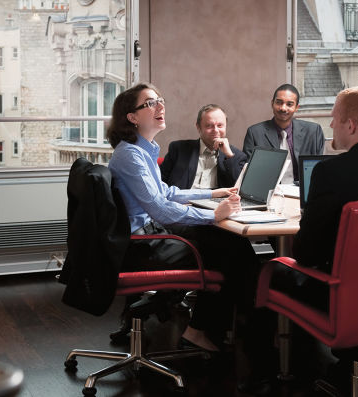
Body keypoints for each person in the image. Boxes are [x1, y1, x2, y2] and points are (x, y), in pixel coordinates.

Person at [239, 85, 358, 395]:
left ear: (351, 125)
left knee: (264, 272)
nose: (331, 125)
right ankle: (357, 359)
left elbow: (305, 254)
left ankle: (269, 372)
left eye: (335, 118)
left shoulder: (330, 171)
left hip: (341, 295)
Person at [107, 83, 260, 352]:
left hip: (148, 236)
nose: (161, 106)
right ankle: (224, 332)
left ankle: (211, 327)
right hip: (142, 245)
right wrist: (214, 215)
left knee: (232, 248)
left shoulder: (142, 150)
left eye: (160, 100)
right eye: (150, 103)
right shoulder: (131, 155)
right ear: (132, 117)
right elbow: (160, 208)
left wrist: (215, 193)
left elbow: (166, 191)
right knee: (233, 252)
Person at [242, 83, 325, 183]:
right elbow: (249, 174)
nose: (283, 108)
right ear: (272, 103)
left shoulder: (313, 131)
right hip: (270, 193)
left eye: (289, 104)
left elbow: (321, 169)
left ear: (296, 107)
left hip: (302, 192)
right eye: (279, 102)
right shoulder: (254, 133)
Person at [160, 104, 247, 189]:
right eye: (209, 126)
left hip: (216, 202)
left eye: (220, 125)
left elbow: (240, 189)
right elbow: (159, 182)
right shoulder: (178, 149)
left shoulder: (237, 156)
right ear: (198, 127)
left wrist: (229, 156)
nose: (215, 130)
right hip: (182, 201)